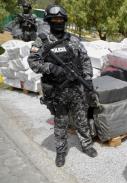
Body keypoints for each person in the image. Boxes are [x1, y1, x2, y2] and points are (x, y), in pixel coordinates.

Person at [28, 4, 97, 167]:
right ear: (49, 21)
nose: (58, 22)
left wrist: (87, 78)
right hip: (57, 91)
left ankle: (86, 145)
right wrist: (51, 68)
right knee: (60, 122)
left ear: (64, 21)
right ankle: (60, 151)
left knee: (81, 119)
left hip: (75, 88)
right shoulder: (43, 40)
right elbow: (33, 61)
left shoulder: (73, 40)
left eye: (60, 19)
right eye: (54, 20)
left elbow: (85, 60)